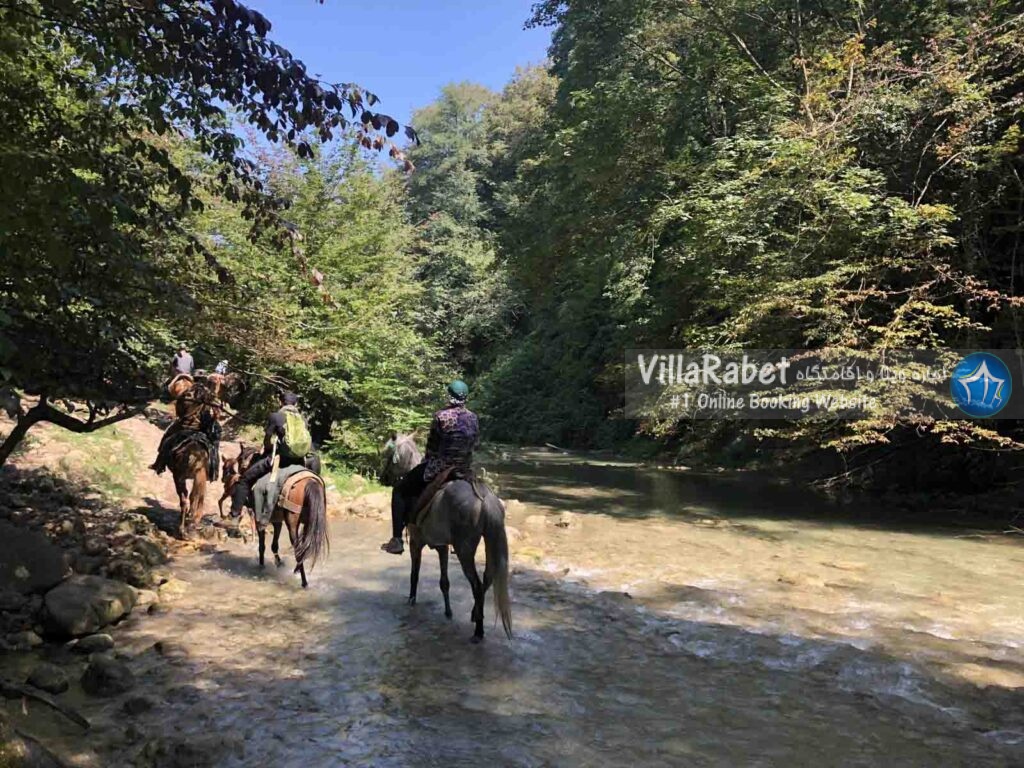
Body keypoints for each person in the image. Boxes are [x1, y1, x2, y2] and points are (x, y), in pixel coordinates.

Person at [381, 380, 479, 555]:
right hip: (465, 469)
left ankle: (397, 539)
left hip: (441, 467)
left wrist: (427, 463)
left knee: (400, 490)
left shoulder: (441, 416)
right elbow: (473, 444)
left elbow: (432, 447)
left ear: (449, 396)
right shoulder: (473, 417)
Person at [229, 391, 310, 518]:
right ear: (296, 404)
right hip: (300, 460)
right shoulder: (303, 420)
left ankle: (234, 516)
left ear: (280, 402)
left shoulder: (275, 416)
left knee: (244, 480)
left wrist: (270, 447)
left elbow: (267, 441)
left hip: (280, 460)